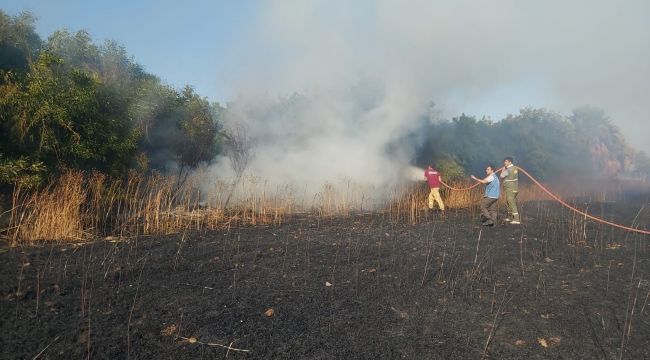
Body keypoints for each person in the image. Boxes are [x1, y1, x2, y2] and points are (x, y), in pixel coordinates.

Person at [500, 156, 520, 224]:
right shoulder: (514, 168)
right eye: (504, 161)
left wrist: (503, 169)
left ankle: (517, 220)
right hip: (512, 188)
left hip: (511, 189)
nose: (504, 163)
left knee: (511, 202)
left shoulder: (509, 169)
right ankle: (510, 217)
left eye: (506, 161)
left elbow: (501, 176)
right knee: (508, 202)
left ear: (510, 162)